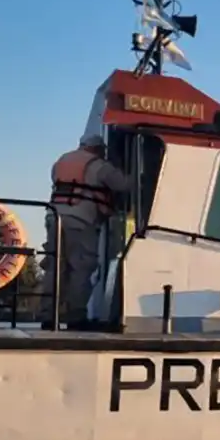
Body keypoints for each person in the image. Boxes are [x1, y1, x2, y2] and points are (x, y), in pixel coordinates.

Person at [38, 133, 131, 327]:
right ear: (97, 149)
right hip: (80, 220)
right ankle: (76, 316)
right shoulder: (99, 166)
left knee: (55, 267)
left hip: (53, 217)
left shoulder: (61, 161)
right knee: (81, 267)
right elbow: (123, 185)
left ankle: (47, 315)